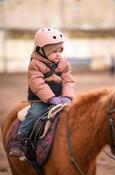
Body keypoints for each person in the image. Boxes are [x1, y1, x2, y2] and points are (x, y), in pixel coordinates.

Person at [10, 27, 75, 158]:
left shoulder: (64, 64)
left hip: (61, 99)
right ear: (42, 51)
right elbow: (37, 84)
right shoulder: (35, 65)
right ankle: (19, 139)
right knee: (34, 114)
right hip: (41, 100)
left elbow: (68, 81)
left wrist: (67, 97)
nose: (58, 54)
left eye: (60, 51)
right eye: (53, 51)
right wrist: (50, 98)